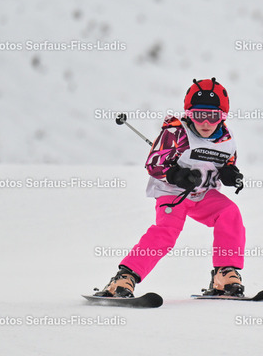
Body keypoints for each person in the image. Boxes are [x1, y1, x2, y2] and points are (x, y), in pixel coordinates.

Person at [95, 78, 246, 298]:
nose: (205, 123)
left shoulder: (226, 139)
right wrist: (176, 175)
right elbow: (153, 163)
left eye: (213, 116)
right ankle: (124, 278)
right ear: (188, 114)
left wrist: (231, 174)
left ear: (223, 116)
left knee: (229, 213)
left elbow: (227, 162)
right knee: (166, 232)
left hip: (203, 195)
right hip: (173, 194)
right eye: (198, 115)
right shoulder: (177, 133)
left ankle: (225, 274)